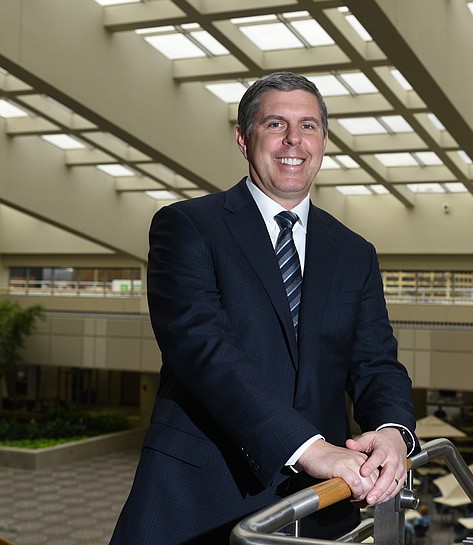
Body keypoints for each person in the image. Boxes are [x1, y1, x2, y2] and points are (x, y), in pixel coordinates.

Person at [111, 71, 417, 544]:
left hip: (321, 502)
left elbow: (375, 361)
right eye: (276, 124)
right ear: (243, 138)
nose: (294, 140)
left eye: (309, 126)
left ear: (325, 140)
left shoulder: (355, 251)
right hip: (198, 501)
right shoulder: (187, 226)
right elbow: (204, 350)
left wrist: (394, 433)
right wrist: (311, 447)